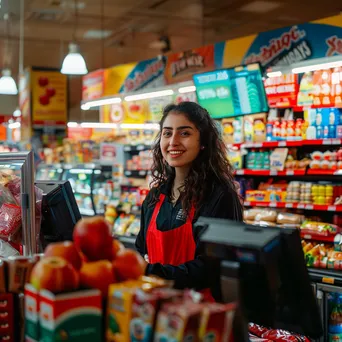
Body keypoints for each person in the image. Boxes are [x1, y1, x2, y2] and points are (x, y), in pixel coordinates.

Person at [135, 102, 243, 298]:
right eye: (167, 133)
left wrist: (153, 273)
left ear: (203, 142)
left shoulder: (219, 195)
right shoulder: (154, 197)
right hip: (158, 312)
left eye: (184, 133)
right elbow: (141, 249)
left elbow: (212, 267)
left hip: (204, 316)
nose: (173, 141)